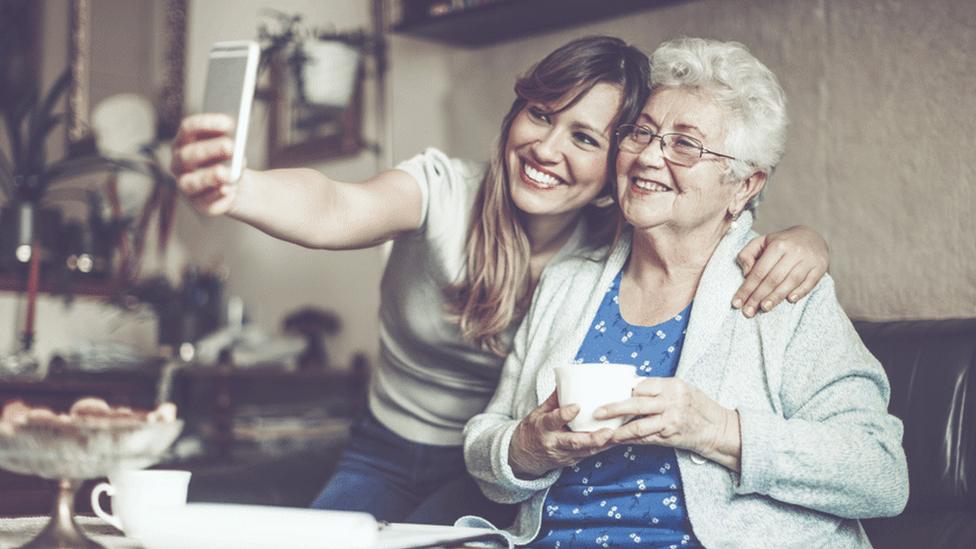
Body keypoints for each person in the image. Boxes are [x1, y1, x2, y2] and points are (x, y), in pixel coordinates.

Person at [170, 36, 831, 524]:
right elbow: (334, 205)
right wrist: (237, 187)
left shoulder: (614, 242)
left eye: (585, 137)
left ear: (615, 165)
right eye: (541, 115)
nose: (547, 150)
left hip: (489, 467)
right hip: (384, 445)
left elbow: (719, 206)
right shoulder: (445, 193)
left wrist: (808, 242)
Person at [463, 37, 908, 548]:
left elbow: (881, 473)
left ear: (743, 186)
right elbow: (485, 442)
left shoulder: (782, 288)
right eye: (642, 133)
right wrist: (527, 446)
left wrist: (719, 430)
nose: (649, 156)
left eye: (684, 144)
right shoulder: (568, 283)